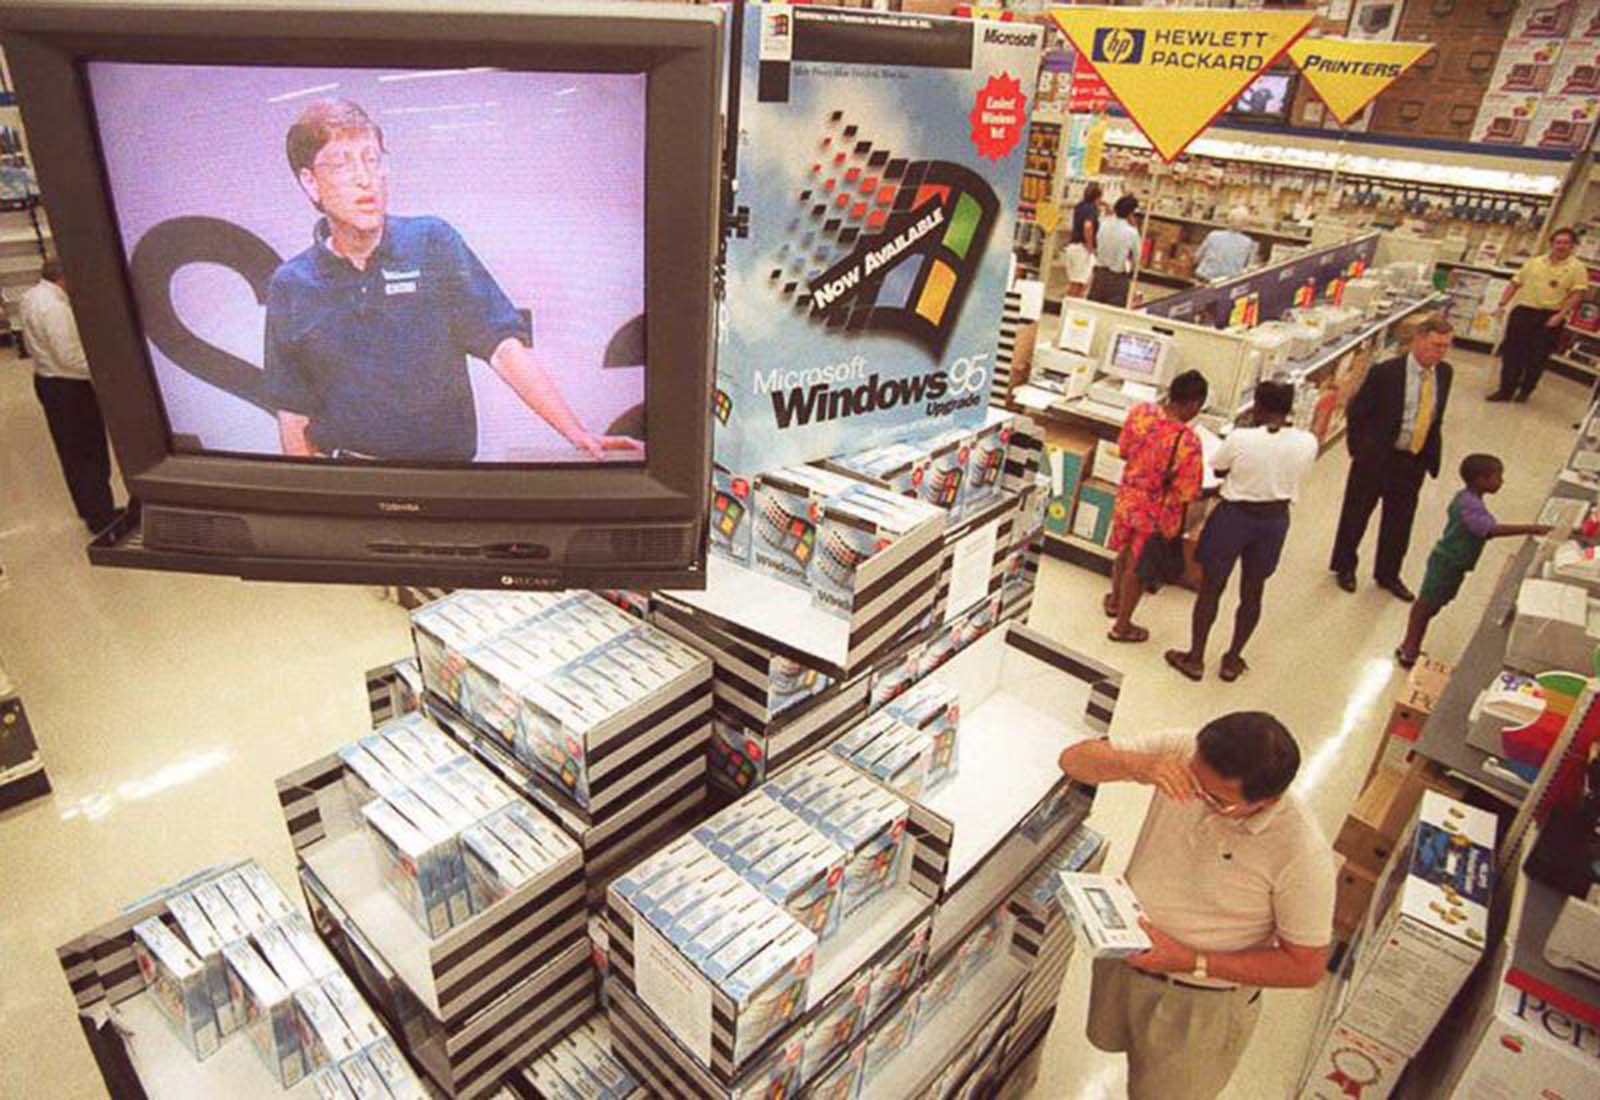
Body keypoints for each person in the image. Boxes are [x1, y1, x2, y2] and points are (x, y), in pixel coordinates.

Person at [265, 98, 636, 462]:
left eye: (372, 159)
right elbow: (293, 410)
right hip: (350, 478)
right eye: (342, 164)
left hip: (446, 479)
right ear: (310, 183)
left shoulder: (432, 242)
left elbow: (502, 347)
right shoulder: (292, 283)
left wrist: (576, 433)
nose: (365, 178)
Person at [1058, 711, 1334, 1100]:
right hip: (1125, 961)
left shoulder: (1301, 854)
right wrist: (1141, 765)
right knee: (1113, 1043)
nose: (1195, 796)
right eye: (1192, 779)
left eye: (1216, 798)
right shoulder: (1184, 750)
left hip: (1199, 1001)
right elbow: (1073, 760)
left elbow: (1305, 967)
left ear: (1266, 801)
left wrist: (1191, 960)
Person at [1165, 381, 1316, 683]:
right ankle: (1232, 659)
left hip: (1234, 517)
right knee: (1253, 590)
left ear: (1258, 406)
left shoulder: (1242, 438)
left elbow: (1219, 470)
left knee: (1211, 588)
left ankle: (1195, 658)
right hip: (1274, 521)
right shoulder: (1307, 441)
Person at [1328, 315, 1456, 601]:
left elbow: (1435, 416)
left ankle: (1388, 573)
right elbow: (1357, 411)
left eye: (1446, 346)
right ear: (1418, 340)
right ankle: (1345, 566)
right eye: (1436, 345)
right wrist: (1359, 450)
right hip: (1377, 457)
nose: (1440, 352)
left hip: (1413, 460)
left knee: (1400, 521)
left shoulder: (1445, 374)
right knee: (1356, 514)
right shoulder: (1386, 372)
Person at [1396, 454, 1550, 668]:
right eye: (1498, 477)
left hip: (1452, 562)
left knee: (1431, 605)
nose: (1501, 482)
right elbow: (1490, 530)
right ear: (1481, 479)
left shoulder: (1467, 498)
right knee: (1426, 606)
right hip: (1448, 563)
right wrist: (1533, 528)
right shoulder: (1469, 505)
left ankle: (1409, 646)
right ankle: (1409, 650)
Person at [1105, 369, 1208, 643]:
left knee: (1123, 551)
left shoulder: (1141, 413)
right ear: (1194, 404)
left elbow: (1124, 450)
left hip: (1127, 498)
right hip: (1155, 511)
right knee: (1139, 567)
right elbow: (1187, 491)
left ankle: (1114, 600)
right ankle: (1122, 626)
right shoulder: (1187, 440)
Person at [17, 258, 117, 533]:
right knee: (90, 452)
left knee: (71, 453)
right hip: (70, 389)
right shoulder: (56, 309)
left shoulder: (31, 296)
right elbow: (70, 357)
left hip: (48, 381)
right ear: (64, 277)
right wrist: (107, 372)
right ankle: (102, 517)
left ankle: (89, 508)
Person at [1489, 227, 1590, 403]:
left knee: (1537, 358)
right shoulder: (1534, 262)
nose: (1561, 246)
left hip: (1549, 317)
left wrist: (1560, 316)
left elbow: (1577, 294)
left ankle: (1526, 390)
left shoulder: (1577, 268)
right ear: (1551, 244)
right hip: (1524, 312)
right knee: (1512, 353)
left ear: (1573, 246)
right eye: (1558, 242)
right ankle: (1506, 390)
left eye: (1566, 243)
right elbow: (1515, 283)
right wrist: (1501, 304)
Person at [1089, 195, 1141, 306]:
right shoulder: (1132, 232)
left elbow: (1096, 243)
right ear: (1131, 213)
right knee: (1113, 311)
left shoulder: (1103, 224)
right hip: (1117, 278)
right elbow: (1137, 258)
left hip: (1099, 275)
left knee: (1093, 308)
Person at [1193, 206, 1257, 283]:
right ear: (1245, 224)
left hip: (1205, 278)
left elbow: (1197, 258)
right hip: (1227, 283)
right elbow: (1249, 267)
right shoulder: (1248, 242)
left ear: (1229, 220)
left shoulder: (1213, 235)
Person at [1064, 182, 1102, 299]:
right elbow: (1088, 226)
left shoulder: (1080, 206)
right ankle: (1072, 307)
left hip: (1073, 247)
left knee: (1074, 283)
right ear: (1098, 197)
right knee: (1080, 284)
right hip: (1082, 249)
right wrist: (1090, 246)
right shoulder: (1092, 209)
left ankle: (1068, 305)